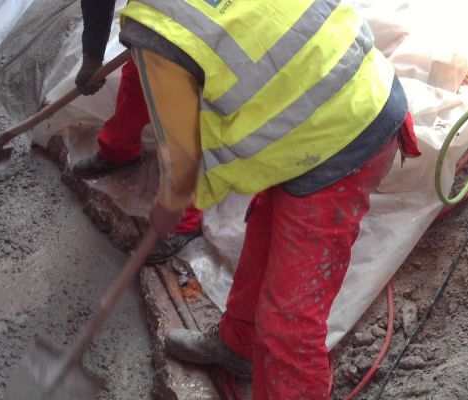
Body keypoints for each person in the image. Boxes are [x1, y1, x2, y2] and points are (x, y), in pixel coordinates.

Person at [77, 0, 421, 399]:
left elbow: (184, 154)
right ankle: (239, 345)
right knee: (264, 229)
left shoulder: (157, 26)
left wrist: (171, 202)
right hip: (324, 107)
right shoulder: (165, 23)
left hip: (346, 133)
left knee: (289, 325)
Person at [73, 2, 204, 264]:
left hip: (212, 21)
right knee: (140, 73)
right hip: (162, 14)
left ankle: (186, 218)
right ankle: (119, 150)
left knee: (180, 111)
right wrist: (92, 57)